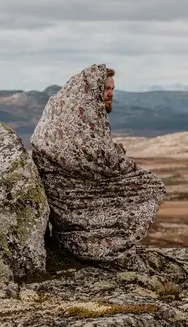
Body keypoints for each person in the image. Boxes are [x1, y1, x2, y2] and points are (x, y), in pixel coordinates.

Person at [31, 63, 166, 270]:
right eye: (107, 89)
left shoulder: (72, 108)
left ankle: (99, 245)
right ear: (92, 89)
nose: (111, 93)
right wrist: (124, 163)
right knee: (151, 186)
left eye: (113, 89)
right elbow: (93, 156)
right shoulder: (77, 112)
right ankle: (101, 248)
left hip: (66, 182)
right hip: (66, 185)